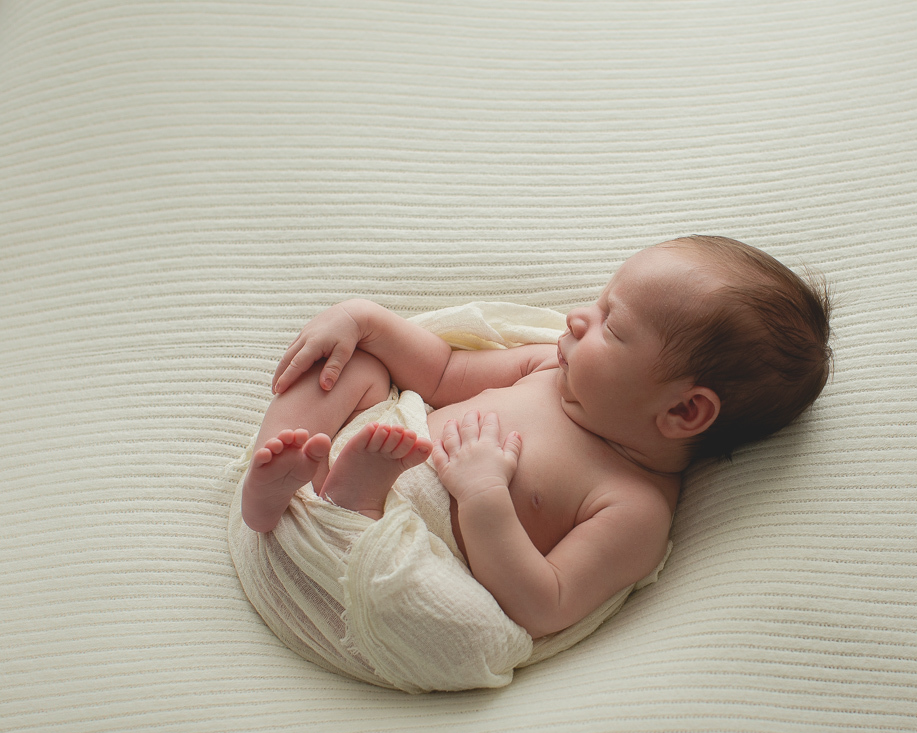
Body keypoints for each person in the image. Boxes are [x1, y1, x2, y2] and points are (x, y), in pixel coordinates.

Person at [240, 235, 831, 639]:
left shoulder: (634, 508)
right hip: (370, 449)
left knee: (469, 631)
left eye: (612, 325)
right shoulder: (550, 367)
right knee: (354, 364)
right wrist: (365, 318)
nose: (577, 318)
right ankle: (282, 473)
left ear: (684, 410)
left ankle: (353, 511)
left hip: (401, 557)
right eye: (599, 301)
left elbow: (545, 605)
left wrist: (483, 498)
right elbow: (442, 372)